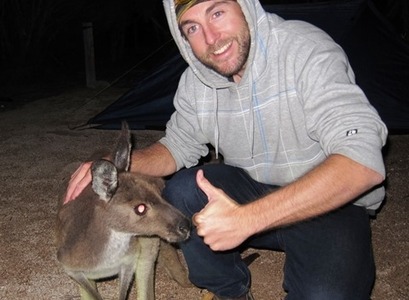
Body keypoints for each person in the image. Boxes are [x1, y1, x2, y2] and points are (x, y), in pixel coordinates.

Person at [65, 0, 388, 299]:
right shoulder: (197, 82)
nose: (211, 38)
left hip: (327, 204)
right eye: (192, 28)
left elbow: (362, 162)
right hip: (250, 192)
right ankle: (228, 290)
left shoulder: (305, 51)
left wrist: (248, 219)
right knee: (182, 191)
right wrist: (117, 167)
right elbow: (176, 147)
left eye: (217, 13)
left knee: (325, 294)